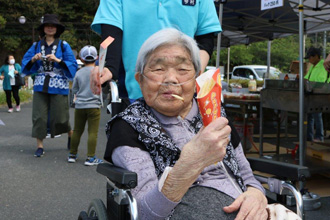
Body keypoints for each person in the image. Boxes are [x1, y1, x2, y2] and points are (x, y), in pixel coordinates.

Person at [105, 28, 268, 219]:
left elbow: (247, 177)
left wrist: (257, 195)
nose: (171, 79)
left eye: (182, 70)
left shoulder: (215, 113)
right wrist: (190, 164)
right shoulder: (128, 126)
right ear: (140, 80)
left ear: (196, 78)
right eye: (158, 69)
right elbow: (144, 212)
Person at [90, 0, 221, 101]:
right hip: (136, 92)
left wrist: (194, 76)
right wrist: (109, 68)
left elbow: (205, 40)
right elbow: (111, 34)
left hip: (182, 91)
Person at [21, 14, 77, 157]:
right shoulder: (36, 46)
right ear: (44, 28)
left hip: (58, 84)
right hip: (40, 84)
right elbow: (25, 62)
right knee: (39, 116)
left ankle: (70, 133)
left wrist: (58, 60)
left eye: (53, 26)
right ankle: (40, 146)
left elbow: (72, 64)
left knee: (60, 117)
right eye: (47, 26)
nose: (50, 28)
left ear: (57, 29)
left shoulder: (64, 45)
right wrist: (33, 59)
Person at [68, 45, 103, 166]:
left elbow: (74, 90)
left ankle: (72, 155)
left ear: (82, 59)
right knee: (92, 132)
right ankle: (90, 158)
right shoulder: (99, 71)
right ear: (97, 57)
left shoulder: (78, 73)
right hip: (94, 105)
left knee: (77, 130)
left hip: (80, 105)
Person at [304, 47, 329, 142]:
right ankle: (309, 136)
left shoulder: (323, 65)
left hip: (321, 93)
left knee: (317, 114)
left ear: (316, 56)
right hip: (312, 93)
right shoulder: (312, 66)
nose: (309, 60)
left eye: (310, 57)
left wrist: (309, 83)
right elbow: (307, 78)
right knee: (309, 116)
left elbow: (321, 81)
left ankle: (319, 136)